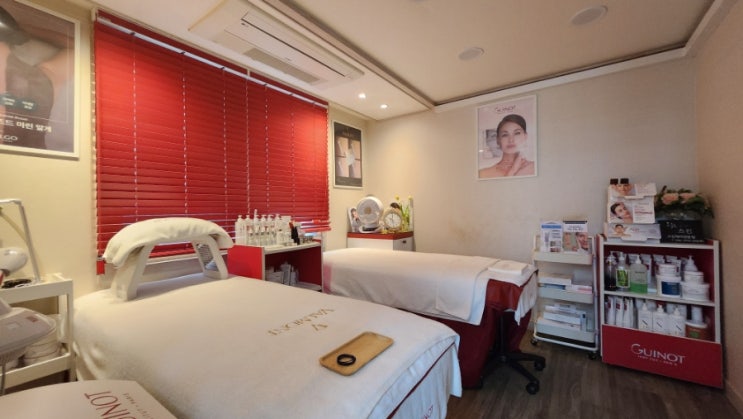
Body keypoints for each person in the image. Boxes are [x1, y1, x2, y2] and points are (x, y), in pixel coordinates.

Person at [478, 114, 535, 178]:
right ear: (498, 140)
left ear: (525, 136)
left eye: (517, 133)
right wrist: (513, 170)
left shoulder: (534, 168)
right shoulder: (483, 173)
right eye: (505, 135)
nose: (511, 140)